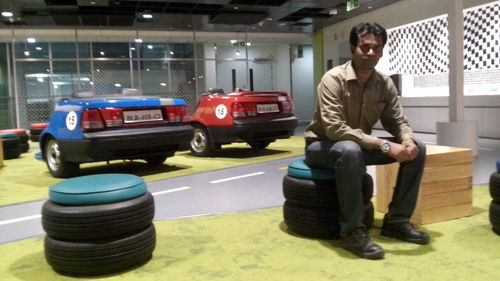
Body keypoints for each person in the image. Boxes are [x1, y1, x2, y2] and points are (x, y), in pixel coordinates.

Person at [304, 22, 429, 260]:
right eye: (365, 47)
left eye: (377, 48)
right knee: (350, 151)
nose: (371, 53)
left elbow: (397, 120)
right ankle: (352, 232)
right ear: (353, 49)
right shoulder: (332, 79)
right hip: (322, 146)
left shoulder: (384, 83)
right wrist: (384, 145)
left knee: (419, 148)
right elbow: (335, 129)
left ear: (382, 51)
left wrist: (407, 140)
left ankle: (397, 221)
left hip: (357, 145)